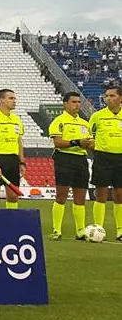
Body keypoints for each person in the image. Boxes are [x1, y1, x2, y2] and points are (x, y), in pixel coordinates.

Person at [48, 92, 93, 240]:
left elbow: (90, 144)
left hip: (81, 159)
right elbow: (58, 143)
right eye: (73, 102)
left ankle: (80, 230)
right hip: (64, 159)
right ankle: (56, 229)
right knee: (61, 196)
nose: (77, 105)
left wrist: (92, 145)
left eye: (79, 102)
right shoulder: (59, 121)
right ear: (65, 103)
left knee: (80, 198)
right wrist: (77, 142)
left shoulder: (85, 124)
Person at [89, 86, 122, 241]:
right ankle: (98, 228)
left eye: (112, 95)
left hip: (120, 158)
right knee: (101, 193)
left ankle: (120, 230)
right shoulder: (97, 116)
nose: (108, 98)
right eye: (106, 96)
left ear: (120, 98)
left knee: (120, 195)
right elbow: (90, 136)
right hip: (102, 157)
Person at [0, 89, 26, 209]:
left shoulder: (16, 119)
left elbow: (19, 143)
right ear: (1, 100)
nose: (14, 101)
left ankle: (11, 225)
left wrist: (22, 162)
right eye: (11, 98)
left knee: (13, 196)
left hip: (13, 160)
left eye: (14, 98)